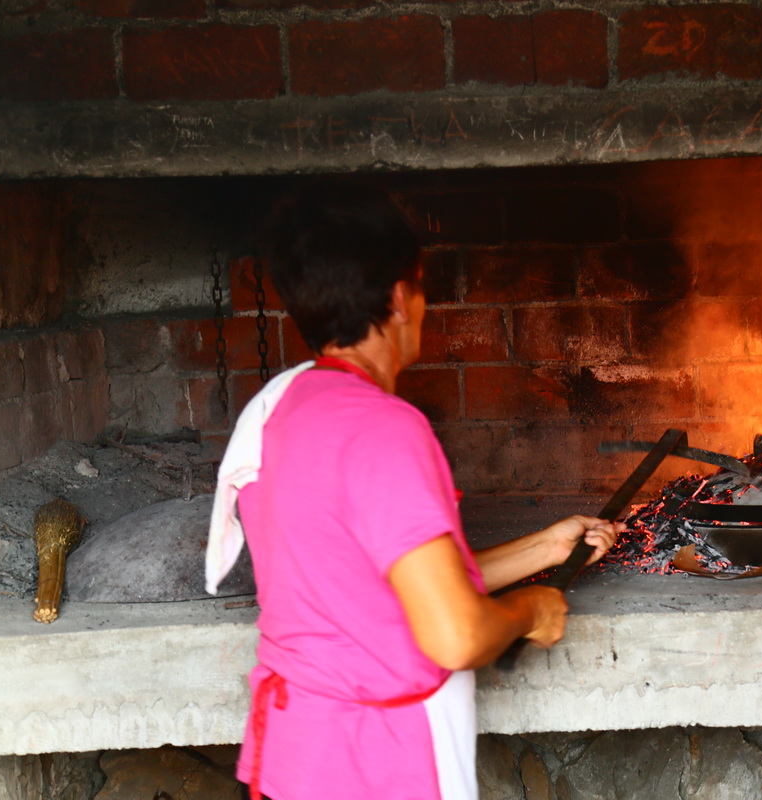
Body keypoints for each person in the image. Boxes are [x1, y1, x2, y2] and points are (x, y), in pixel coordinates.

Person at [209, 180, 621, 800]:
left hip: (294, 759)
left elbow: (387, 590)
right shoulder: (385, 428)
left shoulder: (279, 409)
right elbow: (453, 635)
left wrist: (543, 549)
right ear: (401, 297)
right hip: (375, 765)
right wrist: (532, 611)